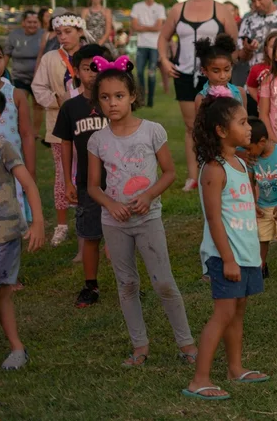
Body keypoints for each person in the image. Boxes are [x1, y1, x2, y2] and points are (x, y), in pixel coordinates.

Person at [86, 57, 197, 367]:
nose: (112, 103)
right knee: (127, 284)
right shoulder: (97, 140)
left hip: (148, 220)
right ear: (98, 101)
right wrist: (111, 204)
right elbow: (93, 186)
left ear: (132, 96)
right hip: (115, 223)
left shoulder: (152, 131)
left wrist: (148, 195)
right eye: (105, 98)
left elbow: (170, 173)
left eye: (119, 96)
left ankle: (186, 343)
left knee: (164, 282)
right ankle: (140, 346)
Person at [184, 93, 268, 400]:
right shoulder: (214, 169)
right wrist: (229, 260)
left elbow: (241, 209)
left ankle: (235, 369)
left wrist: (253, 254)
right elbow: (214, 218)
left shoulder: (240, 164)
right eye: (243, 122)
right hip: (225, 256)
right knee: (223, 313)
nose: (249, 128)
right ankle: (199, 379)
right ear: (221, 130)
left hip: (245, 254)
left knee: (237, 312)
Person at [159, 0, 240, 191]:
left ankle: (220, 170)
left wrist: (223, 69)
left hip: (213, 76)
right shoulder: (178, 9)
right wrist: (165, 60)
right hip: (184, 74)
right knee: (190, 126)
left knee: (218, 123)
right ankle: (193, 176)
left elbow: (233, 45)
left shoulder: (221, 9)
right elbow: (163, 38)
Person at [0, 85, 44, 371]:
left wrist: (38, 223)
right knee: (1, 294)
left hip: (2, 234)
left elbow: (29, 184)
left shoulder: (1, 147)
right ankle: (17, 347)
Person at [53, 44, 112, 308]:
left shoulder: (114, 102)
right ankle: (91, 285)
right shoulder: (71, 108)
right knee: (90, 235)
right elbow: (66, 144)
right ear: (76, 71)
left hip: (118, 181)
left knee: (124, 235)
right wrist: (67, 180)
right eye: (88, 68)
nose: (94, 73)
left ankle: (128, 284)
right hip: (88, 182)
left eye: (99, 67)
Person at [32, 13, 89, 246]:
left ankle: (94, 218)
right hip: (59, 126)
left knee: (93, 171)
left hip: (90, 125)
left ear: (80, 32)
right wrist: (58, 99)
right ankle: (62, 224)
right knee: (62, 174)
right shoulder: (49, 59)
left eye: (68, 32)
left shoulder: (92, 55)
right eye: (59, 33)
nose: (63, 37)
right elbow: (38, 87)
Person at [0, 40, 36, 226]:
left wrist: (30, 170)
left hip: (11, 167)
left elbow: (27, 134)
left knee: (11, 221)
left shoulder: (16, 95)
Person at [244, 118, 277, 282]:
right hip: (264, 204)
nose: (248, 152)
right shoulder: (253, 158)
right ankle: (261, 267)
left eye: (249, 148)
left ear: (261, 141)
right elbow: (250, 181)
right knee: (262, 236)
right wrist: (253, 204)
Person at [5, 11, 44, 135]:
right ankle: (18, 130)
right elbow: (6, 54)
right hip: (19, 77)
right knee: (19, 104)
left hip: (39, 77)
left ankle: (35, 133)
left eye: (35, 22)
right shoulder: (14, 35)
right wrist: (1, 71)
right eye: (29, 22)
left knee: (38, 105)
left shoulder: (44, 35)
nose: (32, 25)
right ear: (23, 23)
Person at [131, 0, 166, 109]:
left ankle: (150, 100)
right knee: (139, 72)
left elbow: (159, 27)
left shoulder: (159, 8)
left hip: (154, 45)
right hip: (142, 45)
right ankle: (141, 98)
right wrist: (151, 27)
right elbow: (135, 26)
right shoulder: (137, 7)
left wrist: (143, 27)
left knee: (151, 73)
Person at [192, 35, 244, 114]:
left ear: (231, 66)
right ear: (204, 71)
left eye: (227, 70)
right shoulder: (201, 98)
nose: (222, 76)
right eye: (216, 71)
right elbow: (201, 125)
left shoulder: (240, 92)